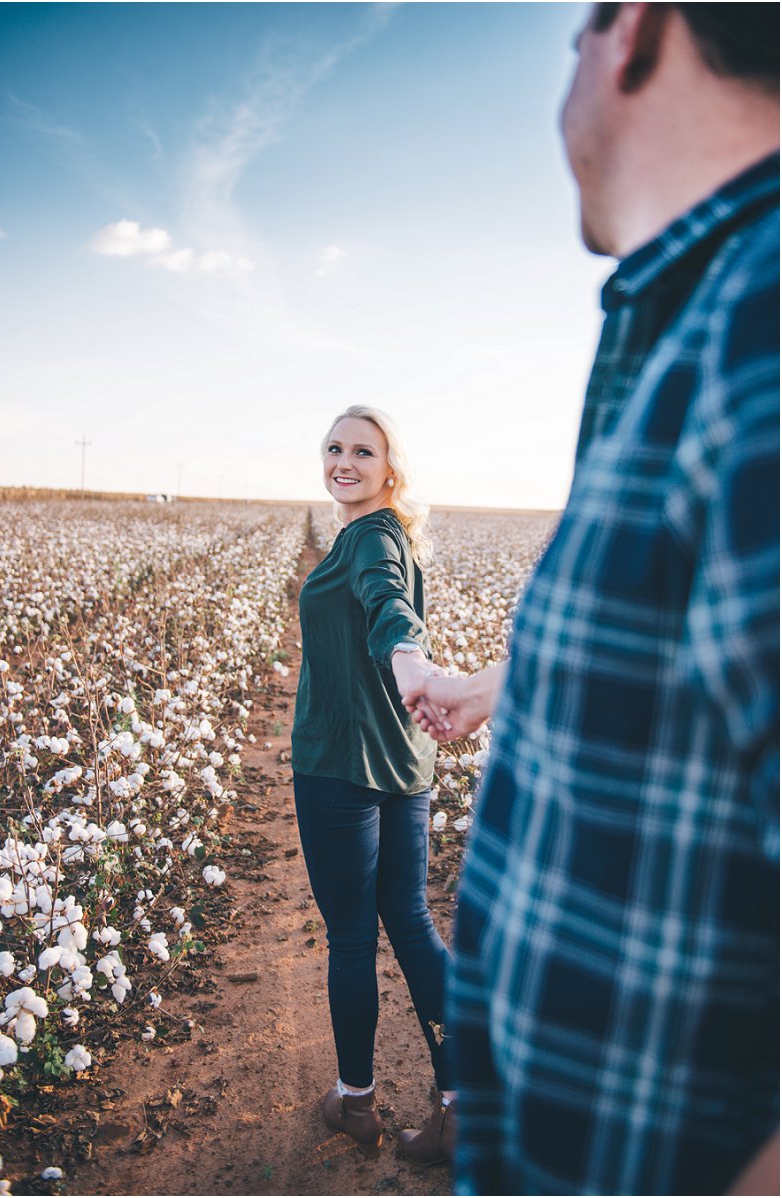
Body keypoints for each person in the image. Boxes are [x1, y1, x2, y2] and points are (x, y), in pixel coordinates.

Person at [403, 4, 779, 1194]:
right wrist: (500, 684)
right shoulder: (700, 315)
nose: (566, 75)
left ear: (639, 32)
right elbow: (699, 652)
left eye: (574, 38)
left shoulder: (762, 321)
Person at [290, 404, 457, 1165]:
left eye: (363, 450)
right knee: (411, 922)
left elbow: (388, 607)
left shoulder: (369, 537)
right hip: (403, 765)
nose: (344, 461)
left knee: (354, 936)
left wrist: (410, 662)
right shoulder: (384, 534)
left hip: (340, 767)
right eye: (334, 448)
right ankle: (463, 1102)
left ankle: (355, 1101)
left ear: (391, 467)